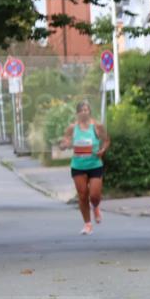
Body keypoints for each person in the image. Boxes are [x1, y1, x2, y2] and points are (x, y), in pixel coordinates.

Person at [59, 100, 111, 235]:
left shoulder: (97, 126)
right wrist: (64, 145)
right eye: (81, 110)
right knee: (82, 195)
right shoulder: (72, 128)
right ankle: (88, 224)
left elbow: (106, 140)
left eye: (86, 110)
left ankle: (95, 206)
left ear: (89, 112)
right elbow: (64, 143)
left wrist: (102, 150)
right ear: (77, 113)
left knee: (94, 195)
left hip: (94, 164)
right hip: (78, 165)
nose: (84, 113)